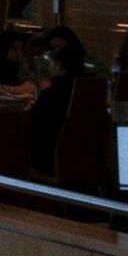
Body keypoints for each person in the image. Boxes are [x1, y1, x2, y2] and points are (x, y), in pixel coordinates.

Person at [29, 48, 81, 178]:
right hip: (84, 160)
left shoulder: (52, 94)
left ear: (58, 65)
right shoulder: (89, 90)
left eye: (51, 64)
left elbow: (33, 126)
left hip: (49, 161)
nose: (50, 68)